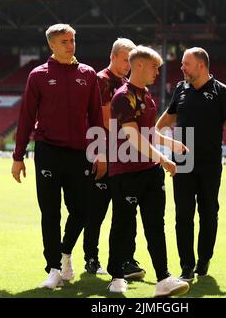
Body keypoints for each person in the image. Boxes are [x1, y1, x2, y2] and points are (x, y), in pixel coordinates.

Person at [11, 23, 106, 289]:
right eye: (65, 41)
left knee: (81, 211)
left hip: (80, 153)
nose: (71, 44)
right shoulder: (38, 75)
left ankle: (65, 253)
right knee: (50, 212)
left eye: (73, 39)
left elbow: (96, 117)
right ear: (52, 45)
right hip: (48, 151)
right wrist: (18, 156)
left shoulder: (88, 74)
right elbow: (26, 117)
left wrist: (99, 152)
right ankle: (53, 267)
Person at [106, 45, 189, 297]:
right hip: (125, 172)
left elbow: (149, 132)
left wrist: (172, 143)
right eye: (154, 66)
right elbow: (133, 137)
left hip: (150, 172)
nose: (157, 72)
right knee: (123, 224)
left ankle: (163, 278)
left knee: (155, 224)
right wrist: (164, 159)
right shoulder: (123, 96)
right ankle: (117, 276)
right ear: (139, 65)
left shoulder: (147, 96)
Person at [155, 47, 226, 281]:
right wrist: (166, 142)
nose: (181, 67)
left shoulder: (222, 92)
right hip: (182, 163)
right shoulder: (180, 90)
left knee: (209, 212)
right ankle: (186, 265)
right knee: (183, 215)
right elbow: (161, 125)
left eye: (186, 64)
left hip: (210, 164)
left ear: (201, 65)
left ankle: (204, 259)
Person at [82, 37, 146, 279]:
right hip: (105, 152)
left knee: (126, 211)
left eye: (131, 61)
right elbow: (104, 120)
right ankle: (91, 258)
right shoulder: (102, 80)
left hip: (124, 156)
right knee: (97, 211)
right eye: (125, 60)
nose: (129, 65)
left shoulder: (127, 83)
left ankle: (126, 259)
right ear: (113, 56)